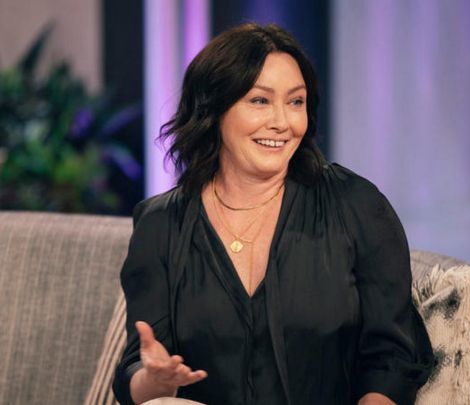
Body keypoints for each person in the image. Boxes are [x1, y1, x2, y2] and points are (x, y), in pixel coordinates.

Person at [113, 23, 434, 405]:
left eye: (296, 102)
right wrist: (156, 381)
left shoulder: (356, 206)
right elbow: (137, 369)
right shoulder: (161, 225)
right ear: (213, 109)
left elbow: (393, 357)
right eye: (260, 101)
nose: (282, 122)